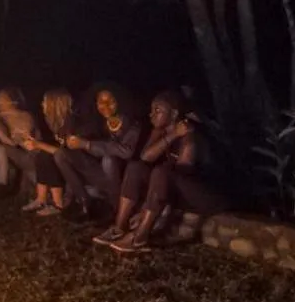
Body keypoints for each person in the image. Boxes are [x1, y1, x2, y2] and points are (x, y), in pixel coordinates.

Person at [96, 90, 228, 254]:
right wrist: (169, 135)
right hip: (178, 190)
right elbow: (145, 157)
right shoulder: (164, 131)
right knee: (135, 167)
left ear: (174, 114)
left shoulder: (190, 134)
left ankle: (140, 237)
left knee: (162, 172)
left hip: (204, 196)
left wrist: (146, 209)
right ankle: (119, 227)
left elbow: (183, 171)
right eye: (152, 110)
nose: (151, 114)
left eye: (158, 110)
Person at [58, 85, 144, 209]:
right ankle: (83, 201)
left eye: (111, 101)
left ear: (119, 101)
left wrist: (87, 144)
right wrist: (73, 141)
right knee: (61, 154)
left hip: (123, 175)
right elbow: (83, 140)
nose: (105, 105)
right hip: (99, 173)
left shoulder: (132, 123)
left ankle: (116, 207)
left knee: (108, 160)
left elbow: (126, 151)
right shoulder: (96, 121)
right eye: (101, 102)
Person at [20, 88, 76, 215]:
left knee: (50, 157)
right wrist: (34, 143)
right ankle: (41, 199)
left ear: (54, 105)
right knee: (43, 155)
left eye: (45, 102)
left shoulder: (71, 123)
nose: (42, 104)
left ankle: (58, 204)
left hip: (78, 161)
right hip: (65, 158)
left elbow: (64, 152)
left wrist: (37, 144)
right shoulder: (54, 123)